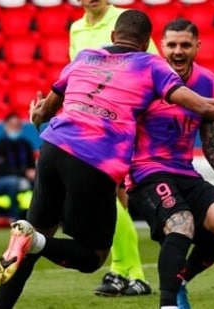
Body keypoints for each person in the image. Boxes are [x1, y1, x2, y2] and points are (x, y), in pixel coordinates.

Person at [0, 10, 214, 308]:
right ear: (150, 44)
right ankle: (36, 243)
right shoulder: (149, 65)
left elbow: (47, 109)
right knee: (93, 256)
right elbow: (202, 106)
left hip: (51, 150)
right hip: (94, 161)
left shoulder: (84, 58)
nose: (177, 51)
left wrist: (36, 115)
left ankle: (16, 271)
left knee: (33, 236)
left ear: (114, 33)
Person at [126, 18, 214, 309]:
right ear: (161, 45)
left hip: (184, 171)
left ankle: (179, 280)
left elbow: (212, 142)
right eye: (172, 44)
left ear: (197, 46)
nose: (178, 51)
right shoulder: (144, 77)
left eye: (185, 45)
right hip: (146, 171)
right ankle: (169, 304)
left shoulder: (207, 82)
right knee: (182, 222)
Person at [69, 0, 157, 296]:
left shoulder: (126, 22)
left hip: (122, 125)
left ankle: (125, 271)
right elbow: (75, 75)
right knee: (110, 197)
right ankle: (127, 273)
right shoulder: (76, 29)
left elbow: (152, 67)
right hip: (90, 127)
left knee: (109, 195)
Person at [0, 112, 36, 220]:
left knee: (39, 181)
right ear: (6, 126)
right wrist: (24, 174)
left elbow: (31, 166)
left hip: (23, 179)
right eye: (12, 125)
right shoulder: (0, 144)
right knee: (13, 182)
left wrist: (33, 173)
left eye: (18, 125)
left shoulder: (26, 144)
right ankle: (14, 217)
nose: (15, 128)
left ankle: (36, 216)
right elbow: (2, 169)